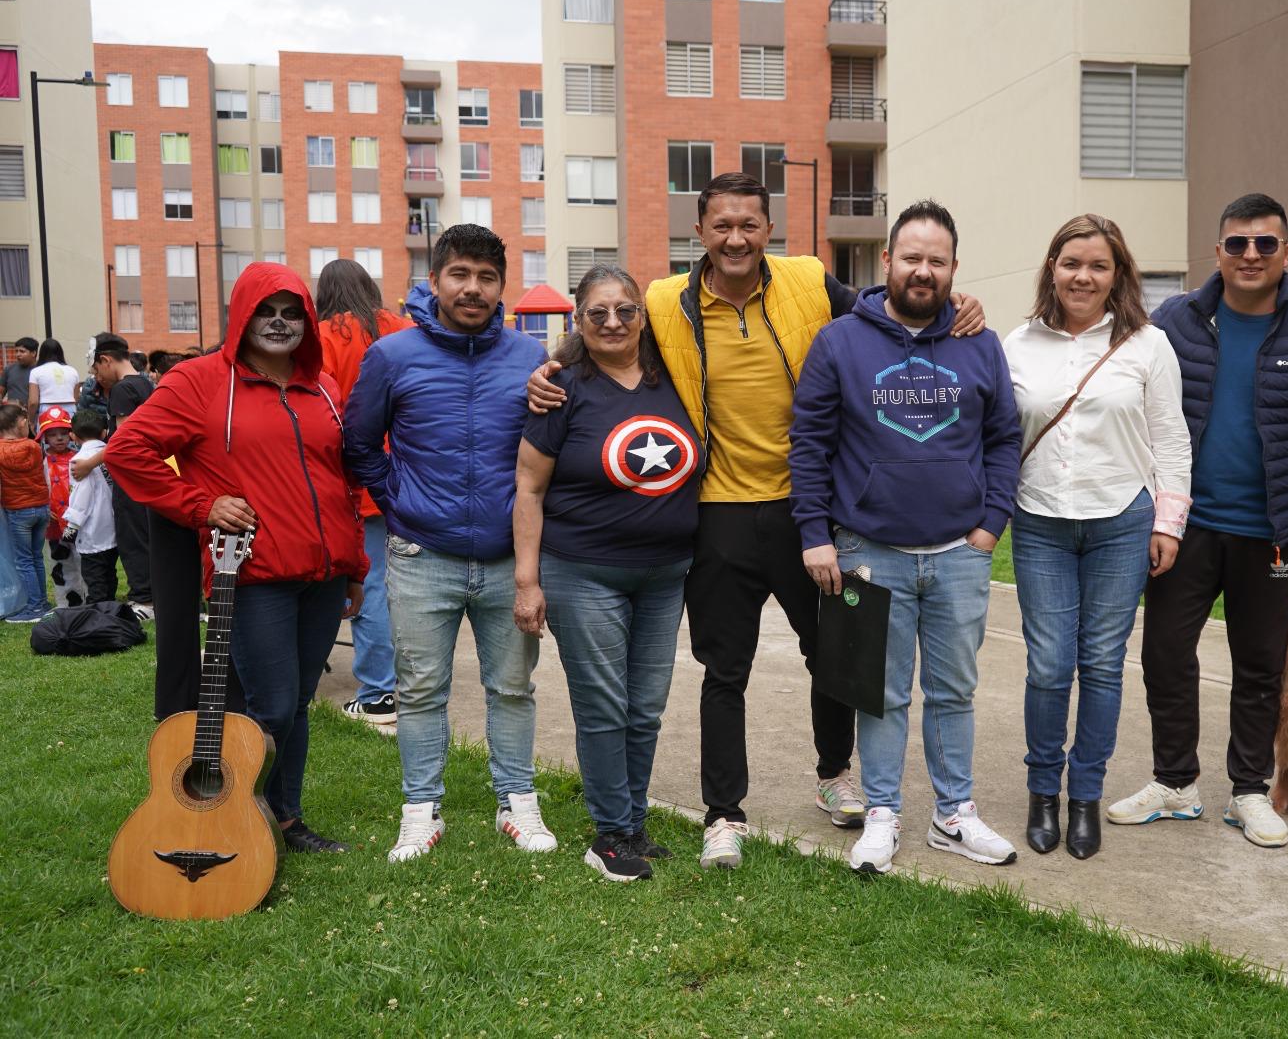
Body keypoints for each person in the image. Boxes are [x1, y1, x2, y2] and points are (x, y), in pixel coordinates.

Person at [526, 172, 988, 869]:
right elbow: (604, 326)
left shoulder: (808, 279)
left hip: (809, 510)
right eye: (722, 226)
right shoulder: (666, 300)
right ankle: (724, 813)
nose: (736, 238)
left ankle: (835, 776)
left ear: (769, 229)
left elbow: (883, 310)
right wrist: (550, 365)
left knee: (834, 655)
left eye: (749, 225)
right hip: (717, 512)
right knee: (724, 670)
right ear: (699, 233)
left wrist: (956, 304)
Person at [1109, 192, 1288, 850]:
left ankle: (1249, 790)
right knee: (1165, 654)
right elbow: (1119, 377)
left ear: (1287, 251)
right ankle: (1175, 783)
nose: (1250, 254)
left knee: (1258, 665)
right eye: (1237, 243)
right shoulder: (1174, 321)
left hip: (1273, 534)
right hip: (1184, 527)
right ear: (1218, 251)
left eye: (1265, 243)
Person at [790, 200, 1022, 876]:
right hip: (869, 549)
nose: (924, 271)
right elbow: (809, 443)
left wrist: (990, 526)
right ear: (887, 260)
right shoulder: (839, 343)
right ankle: (883, 813)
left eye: (937, 261)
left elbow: (1004, 439)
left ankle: (954, 814)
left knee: (953, 691)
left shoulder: (980, 342)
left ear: (954, 269)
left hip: (958, 554)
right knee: (880, 693)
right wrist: (815, 534)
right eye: (912, 257)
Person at [105, 261, 367, 854]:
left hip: (324, 574)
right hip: (253, 574)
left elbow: (341, 481)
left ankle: (283, 819)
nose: (279, 323)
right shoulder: (199, 381)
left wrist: (354, 566)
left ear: (308, 320)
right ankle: (237, 818)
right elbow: (128, 450)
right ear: (242, 317)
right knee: (270, 704)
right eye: (265, 312)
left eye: (292, 313)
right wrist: (202, 505)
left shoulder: (324, 387)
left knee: (296, 703)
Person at [344, 224, 557, 864]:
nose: (473, 289)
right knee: (419, 689)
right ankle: (420, 810)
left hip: (506, 558)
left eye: (487, 278)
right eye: (460, 274)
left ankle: (516, 801)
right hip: (421, 555)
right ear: (434, 280)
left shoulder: (528, 358)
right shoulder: (392, 356)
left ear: (501, 287)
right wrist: (400, 502)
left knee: (513, 686)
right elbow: (359, 444)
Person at [1003, 215, 1191, 860]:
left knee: (1104, 665)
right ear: (1052, 269)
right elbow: (997, 433)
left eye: (1098, 265)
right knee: (1049, 665)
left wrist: (1168, 523)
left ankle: (1085, 796)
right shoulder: (1018, 343)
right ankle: (1042, 792)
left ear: (1118, 275)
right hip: (1040, 521)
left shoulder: (1148, 345)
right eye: (1071, 263)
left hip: (1121, 520)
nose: (1083, 276)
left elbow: (1171, 439)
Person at [514, 265, 705, 882]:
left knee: (645, 707)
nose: (613, 322)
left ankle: (634, 823)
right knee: (603, 705)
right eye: (598, 313)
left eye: (625, 310)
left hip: (666, 574)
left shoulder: (675, 378)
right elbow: (528, 487)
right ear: (579, 320)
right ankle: (610, 833)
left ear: (644, 316)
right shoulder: (560, 389)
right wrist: (527, 582)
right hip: (583, 572)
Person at [316, 258, 412, 727]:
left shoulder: (324, 337)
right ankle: (414, 682)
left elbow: (323, 411)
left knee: (368, 586)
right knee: (412, 585)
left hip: (355, 480)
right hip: (412, 476)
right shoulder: (405, 328)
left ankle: (378, 693)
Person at [89, 334, 154, 618]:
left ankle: (145, 599)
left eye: (96, 370)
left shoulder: (122, 389)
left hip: (131, 476)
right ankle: (153, 594)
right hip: (149, 474)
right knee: (147, 535)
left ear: (106, 360)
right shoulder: (145, 383)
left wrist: (89, 463)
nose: (97, 377)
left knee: (132, 537)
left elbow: (125, 440)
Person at [0, 403, 51, 622]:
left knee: (24, 561)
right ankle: (43, 602)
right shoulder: (34, 446)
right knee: (36, 557)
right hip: (42, 508)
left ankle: (34, 607)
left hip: (18, 511)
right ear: (20, 424)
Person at [61, 409, 117, 605]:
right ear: (104, 432)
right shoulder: (111, 454)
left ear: (73, 436)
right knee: (110, 572)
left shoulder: (80, 462)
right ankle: (110, 606)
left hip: (93, 531)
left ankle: (99, 610)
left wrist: (71, 527)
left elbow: (81, 497)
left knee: (95, 577)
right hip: (114, 526)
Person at [38, 406, 85, 608]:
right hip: (54, 525)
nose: (59, 438)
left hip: (76, 522)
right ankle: (66, 603)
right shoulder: (40, 461)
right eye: (53, 434)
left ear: (71, 434)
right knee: (60, 563)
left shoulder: (80, 458)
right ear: (45, 437)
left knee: (83, 560)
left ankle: (90, 599)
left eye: (63, 433)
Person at [27, 338, 80, 424]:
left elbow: (33, 402)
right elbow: (76, 398)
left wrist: (31, 421)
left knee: (47, 432)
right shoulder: (73, 371)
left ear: (41, 353)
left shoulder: (35, 372)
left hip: (46, 410)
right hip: (70, 410)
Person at [3, 336, 37, 405]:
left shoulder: (41, 370)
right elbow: (1, 391)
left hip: (35, 411)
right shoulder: (9, 369)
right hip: (12, 411)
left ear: (33, 353)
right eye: (16, 351)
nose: (18, 354)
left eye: (22, 351)